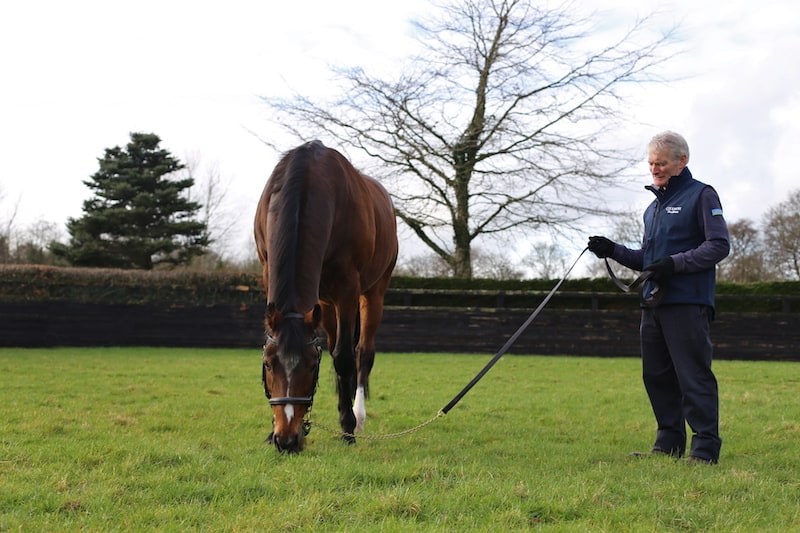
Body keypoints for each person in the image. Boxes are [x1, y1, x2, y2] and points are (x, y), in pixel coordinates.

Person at [588, 131, 730, 465]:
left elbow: (718, 245)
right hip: (653, 304)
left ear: (682, 160)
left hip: (688, 302)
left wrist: (675, 263)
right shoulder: (652, 210)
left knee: (693, 375)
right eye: (652, 163)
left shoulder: (702, 196)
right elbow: (648, 260)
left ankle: (705, 449)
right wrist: (612, 250)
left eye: (662, 163)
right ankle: (668, 444)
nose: (656, 169)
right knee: (656, 375)